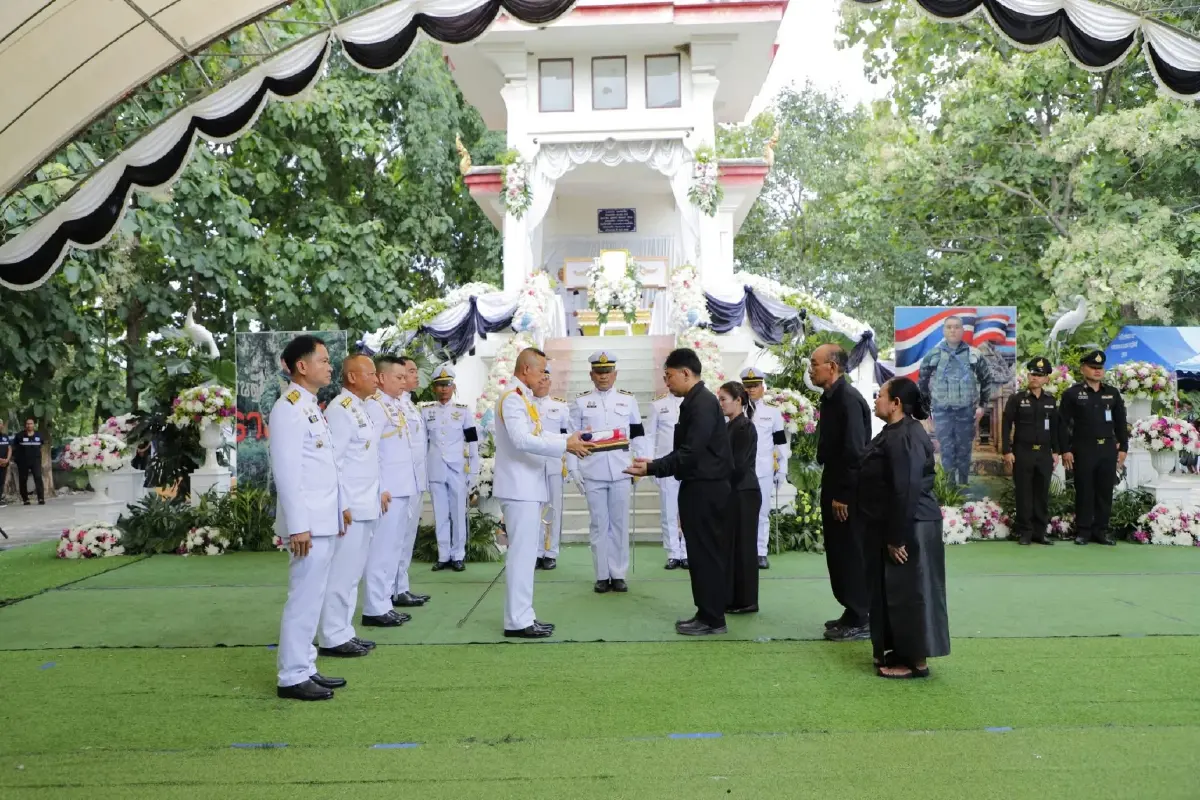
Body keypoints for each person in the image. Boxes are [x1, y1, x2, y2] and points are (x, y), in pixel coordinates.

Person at [626, 348, 733, 636]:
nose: (666, 382)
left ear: (686, 373)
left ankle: (713, 618)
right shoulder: (695, 401)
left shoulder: (702, 403)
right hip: (699, 486)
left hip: (706, 488)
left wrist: (652, 467)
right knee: (699, 553)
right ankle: (706, 612)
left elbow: (690, 452)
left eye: (669, 376)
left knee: (706, 553)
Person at [494, 347, 592, 637]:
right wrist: (565, 446)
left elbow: (537, 433)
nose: (543, 377)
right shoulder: (513, 399)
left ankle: (524, 615)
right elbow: (523, 440)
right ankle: (517, 620)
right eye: (541, 371)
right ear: (526, 370)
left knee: (525, 557)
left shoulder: (522, 398)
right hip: (519, 486)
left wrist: (566, 438)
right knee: (522, 556)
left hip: (527, 485)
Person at [270, 335, 347, 701]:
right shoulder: (289, 408)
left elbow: (327, 467)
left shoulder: (312, 407)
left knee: (314, 596)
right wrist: (298, 524)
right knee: (303, 596)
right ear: (302, 366)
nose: (330, 366)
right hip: (309, 525)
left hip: (323, 519)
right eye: (323, 360)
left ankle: (307, 665)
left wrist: (340, 507)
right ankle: (292, 675)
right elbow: (287, 472)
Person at [858, 377, 949, 679]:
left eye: (880, 395)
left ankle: (916, 661)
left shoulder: (906, 436)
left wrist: (896, 537)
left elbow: (906, 488)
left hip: (912, 524)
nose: (876, 399)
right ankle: (899, 651)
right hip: (901, 521)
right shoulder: (895, 432)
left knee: (912, 593)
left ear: (896, 403)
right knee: (897, 591)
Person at [316, 355, 382, 659]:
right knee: (341, 573)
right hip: (351, 507)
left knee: (353, 573)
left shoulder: (360, 408)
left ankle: (344, 630)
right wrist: (341, 504)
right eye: (370, 373)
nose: (377, 379)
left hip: (366, 503)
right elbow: (335, 463)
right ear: (352, 377)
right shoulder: (341, 410)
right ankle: (331, 636)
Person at [568, 351, 649, 593]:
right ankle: (602, 574)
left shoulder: (628, 400)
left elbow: (638, 434)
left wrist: (642, 466)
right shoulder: (580, 402)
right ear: (591, 375)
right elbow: (571, 438)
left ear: (615, 374)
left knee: (619, 524)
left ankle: (618, 573)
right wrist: (573, 469)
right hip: (592, 470)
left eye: (607, 372)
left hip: (621, 469)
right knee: (598, 524)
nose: (603, 376)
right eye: (599, 372)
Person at [810, 344, 872, 642]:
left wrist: (844, 494)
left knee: (849, 551)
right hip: (834, 478)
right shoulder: (831, 398)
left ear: (832, 367)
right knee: (838, 550)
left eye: (815, 364)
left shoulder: (848, 399)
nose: (811, 369)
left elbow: (855, 452)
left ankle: (862, 616)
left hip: (847, 486)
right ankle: (851, 609)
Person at [363, 355, 426, 625]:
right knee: (382, 549)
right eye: (398, 377)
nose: (404, 382)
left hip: (404, 485)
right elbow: (370, 450)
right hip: (389, 488)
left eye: (405, 377)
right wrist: (378, 487)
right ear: (381, 377)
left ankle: (385, 601)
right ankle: (375, 606)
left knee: (394, 547)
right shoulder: (375, 406)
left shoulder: (396, 405)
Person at [1059, 350, 1127, 546]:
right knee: (1085, 490)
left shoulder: (1112, 393)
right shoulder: (1072, 393)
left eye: (1100, 368)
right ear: (1083, 369)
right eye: (1093, 367)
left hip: (1107, 448)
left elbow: (1120, 422)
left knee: (1105, 490)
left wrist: (1123, 447)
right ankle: (1083, 531)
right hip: (1083, 448)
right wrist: (1065, 449)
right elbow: (1062, 424)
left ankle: (1101, 530)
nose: (1097, 371)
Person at [917, 315, 993, 488]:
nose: (953, 330)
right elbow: (922, 381)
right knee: (947, 449)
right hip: (942, 411)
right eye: (949, 327)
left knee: (964, 449)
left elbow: (986, 380)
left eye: (957, 327)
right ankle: (950, 488)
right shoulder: (934, 355)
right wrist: (925, 408)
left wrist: (982, 406)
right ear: (944, 331)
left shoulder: (974, 354)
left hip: (966, 410)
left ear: (962, 330)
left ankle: (964, 485)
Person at [422, 365, 480, 571]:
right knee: (440, 513)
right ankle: (443, 555)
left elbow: (472, 441)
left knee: (457, 512)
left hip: (457, 468)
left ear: (453, 386)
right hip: (436, 467)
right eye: (440, 385)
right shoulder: (426, 411)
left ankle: (458, 555)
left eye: (447, 385)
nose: (444, 389)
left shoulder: (463, 411)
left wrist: (473, 470)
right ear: (434, 388)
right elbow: (422, 443)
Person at [1002, 356, 1060, 546]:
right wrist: (1006, 450)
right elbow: (1005, 424)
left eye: (1039, 375)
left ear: (1046, 379)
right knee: (1024, 493)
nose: (1034, 377)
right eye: (1032, 373)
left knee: (1042, 492)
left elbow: (1056, 428)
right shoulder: (1017, 399)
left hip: (1044, 453)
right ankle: (1025, 531)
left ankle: (1040, 532)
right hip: (1023, 452)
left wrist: (1056, 451)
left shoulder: (1050, 401)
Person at [740, 368, 790, 569]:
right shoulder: (736, 409)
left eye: (755, 386)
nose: (751, 390)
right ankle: (743, 551)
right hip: (740, 470)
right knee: (740, 512)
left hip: (763, 469)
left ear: (763, 387)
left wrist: (783, 469)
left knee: (761, 511)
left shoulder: (772, 412)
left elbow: (780, 443)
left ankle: (761, 552)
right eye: (747, 386)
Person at [719, 381, 760, 614]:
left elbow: (739, 465)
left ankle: (747, 600)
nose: (721, 404)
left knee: (744, 547)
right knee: (733, 546)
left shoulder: (744, 427)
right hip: (735, 492)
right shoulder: (730, 426)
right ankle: (734, 596)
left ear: (738, 401)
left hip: (744, 492)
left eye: (724, 399)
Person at [533, 363, 570, 570]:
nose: (543, 383)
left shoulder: (560, 406)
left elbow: (567, 437)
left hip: (554, 464)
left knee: (554, 509)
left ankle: (551, 551)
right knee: (535, 508)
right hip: (532, 465)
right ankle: (536, 551)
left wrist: (570, 466)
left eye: (546, 379)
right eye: (539, 379)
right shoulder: (524, 405)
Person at [647, 388, 687, 569]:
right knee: (668, 511)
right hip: (666, 465)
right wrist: (650, 466)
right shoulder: (658, 405)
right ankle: (673, 552)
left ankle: (687, 552)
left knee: (689, 511)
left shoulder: (696, 403)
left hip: (690, 464)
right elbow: (649, 436)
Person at [14, 418, 45, 506]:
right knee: (23, 479)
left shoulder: (39, 435)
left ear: (34, 425)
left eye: (31, 424)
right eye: (27, 424)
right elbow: (15, 448)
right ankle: (25, 499)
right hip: (23, 461)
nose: (29, 425)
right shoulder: (19, 435)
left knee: (38, 478)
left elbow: (42, 446)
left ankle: (41, 498)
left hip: (36, 461)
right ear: (25, 425)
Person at [0, 421, 11, 508]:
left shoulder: (5, 436)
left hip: (4, 464)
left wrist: (7, 459)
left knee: (1, 482)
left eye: (0, 424)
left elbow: (9, 448)